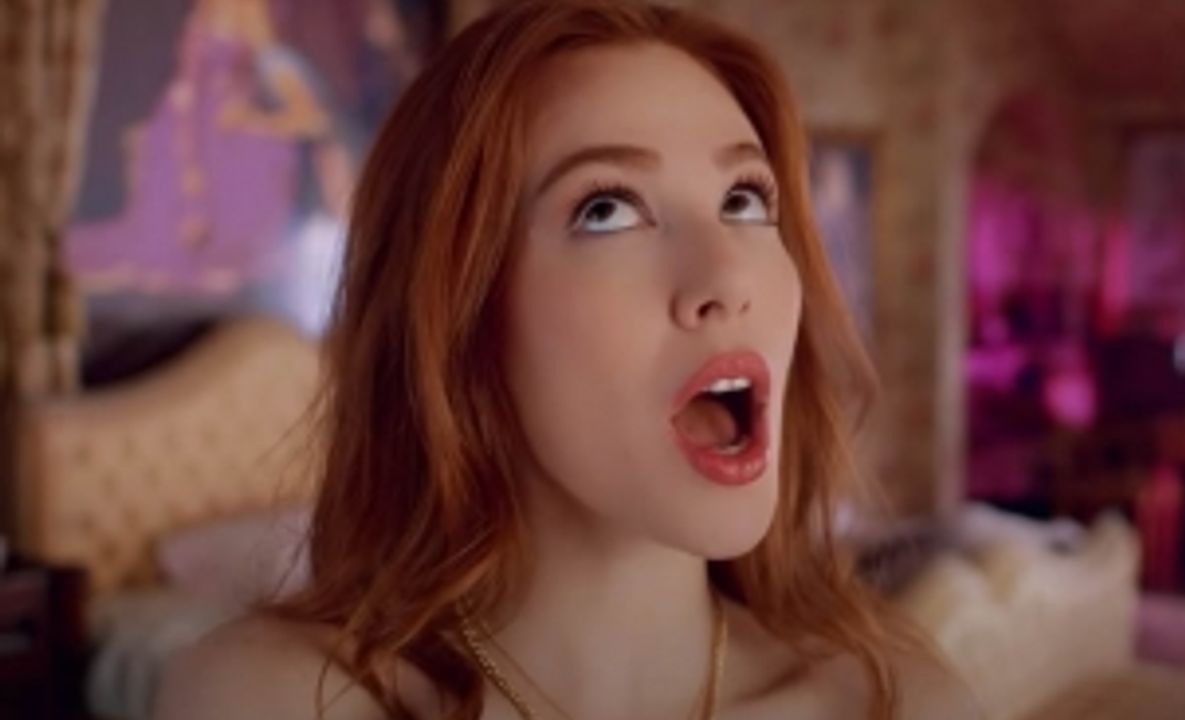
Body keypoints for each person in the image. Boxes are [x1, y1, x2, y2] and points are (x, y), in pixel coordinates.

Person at [154, 1, 982, 718]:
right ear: (456, 312)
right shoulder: (271, 699)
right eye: (607, 209)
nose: (730, 277)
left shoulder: (900, 703)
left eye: (744, 199)